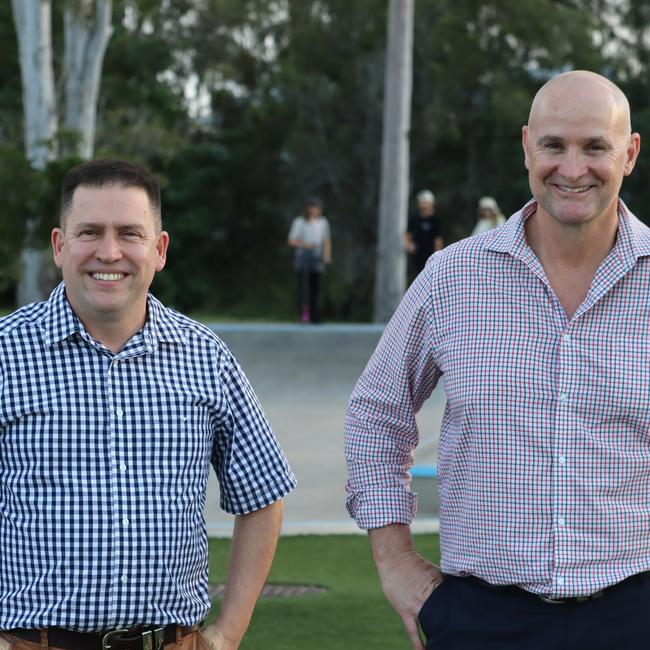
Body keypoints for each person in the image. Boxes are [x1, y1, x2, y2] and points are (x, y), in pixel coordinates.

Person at [345, 70, 649, 649]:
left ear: (629, 153)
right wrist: (395, 562)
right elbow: (376, 415)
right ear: (527, 147)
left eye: (595, 147)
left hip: (636, 612)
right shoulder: (452, 277)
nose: (573, 167)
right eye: (554, 145)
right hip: (482, 617)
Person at [0, 159, 296, 650]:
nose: (109, 252)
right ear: (59, 245)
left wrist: (227, 634)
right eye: (89, 232)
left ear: (158, 249)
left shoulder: (205, 357)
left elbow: (263, 496)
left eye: (130, 233)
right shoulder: (6, 353)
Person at [287, 197, 332, 323]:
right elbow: (291, 240)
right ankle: (304, 315)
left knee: (315, 287)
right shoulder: (300, 222)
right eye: (314, 208)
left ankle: (316, 315)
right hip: (304, 256)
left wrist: (327, 254)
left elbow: (326, 239)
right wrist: (306, 245)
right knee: (304, 287)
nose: (317, 210)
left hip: (317, 256)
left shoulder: (323, 222)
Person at [404, 190, 444, 278]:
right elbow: (408, 235)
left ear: (431, 204)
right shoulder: (415, 219)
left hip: (430, 256)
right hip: (417, 257)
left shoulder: (435, 220)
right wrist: (409, 245)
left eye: (426, 202)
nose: (424, 205)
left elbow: (438, 239)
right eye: (422, 202)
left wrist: (437, 254)